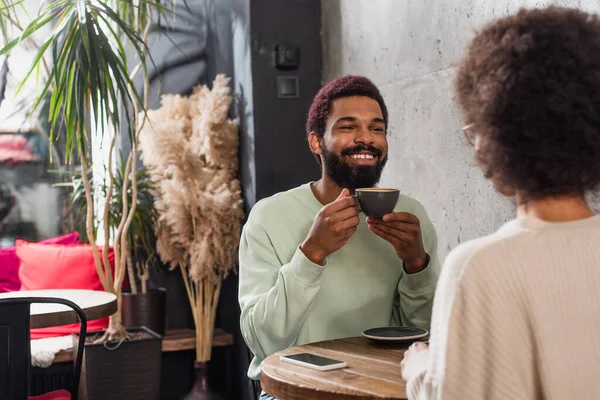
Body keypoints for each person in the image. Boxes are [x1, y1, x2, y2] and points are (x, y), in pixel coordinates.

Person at [401, 6, 600, 399]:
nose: (474, 146)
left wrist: (422, 373)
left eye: (475, 129)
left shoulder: (479, 267)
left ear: (504, 130)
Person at [238, 75, 440, 397]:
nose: (366, 139)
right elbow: (262, 341)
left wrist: (417, 264)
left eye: (377, 128)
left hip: (380, 384)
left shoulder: (409, 217)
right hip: (292, 390)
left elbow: (425, 334)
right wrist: (312, 252)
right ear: (316, 142)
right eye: (348, 127)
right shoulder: (269, 217)